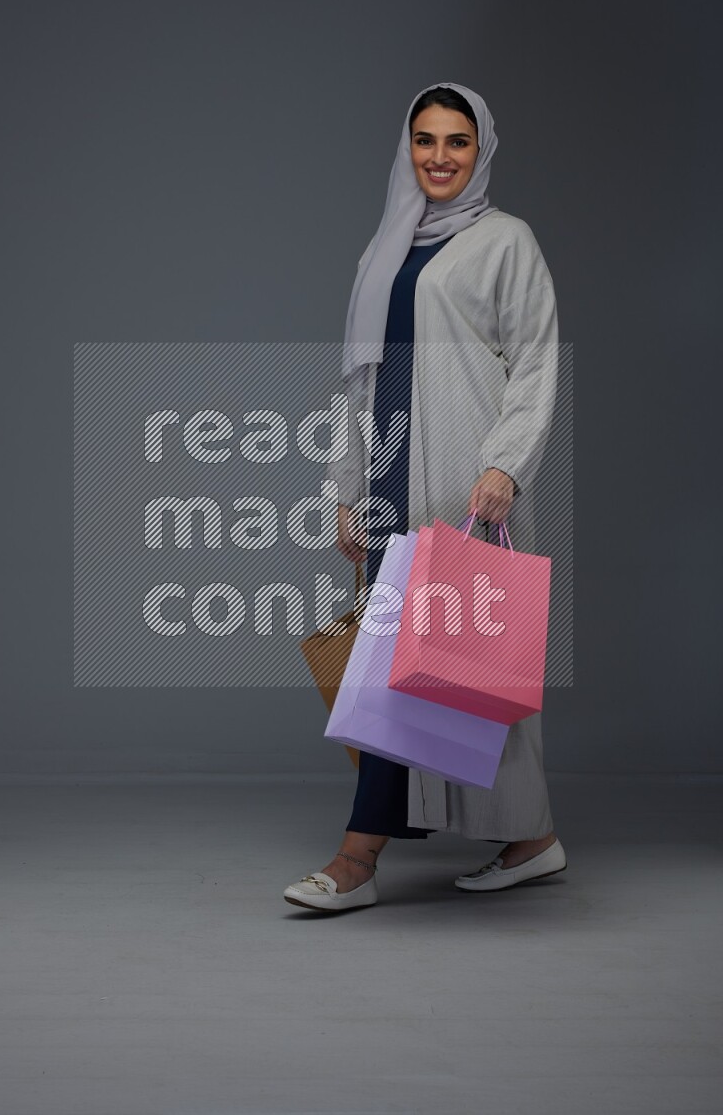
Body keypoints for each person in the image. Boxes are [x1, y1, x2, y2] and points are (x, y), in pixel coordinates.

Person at [284, 82, 566, 912]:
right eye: (425, 140)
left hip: (466, 478)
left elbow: (536, 359)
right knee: (397, 665)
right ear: (406, 148)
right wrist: (347, 486)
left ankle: (360, 856)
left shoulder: (507, 242)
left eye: (457, 142)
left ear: (482, 151)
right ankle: (529, 838)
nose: (439, 157)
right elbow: (357, 380)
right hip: (390, 476)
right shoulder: (383, 251)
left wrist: (507, 464)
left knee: (473, 666)